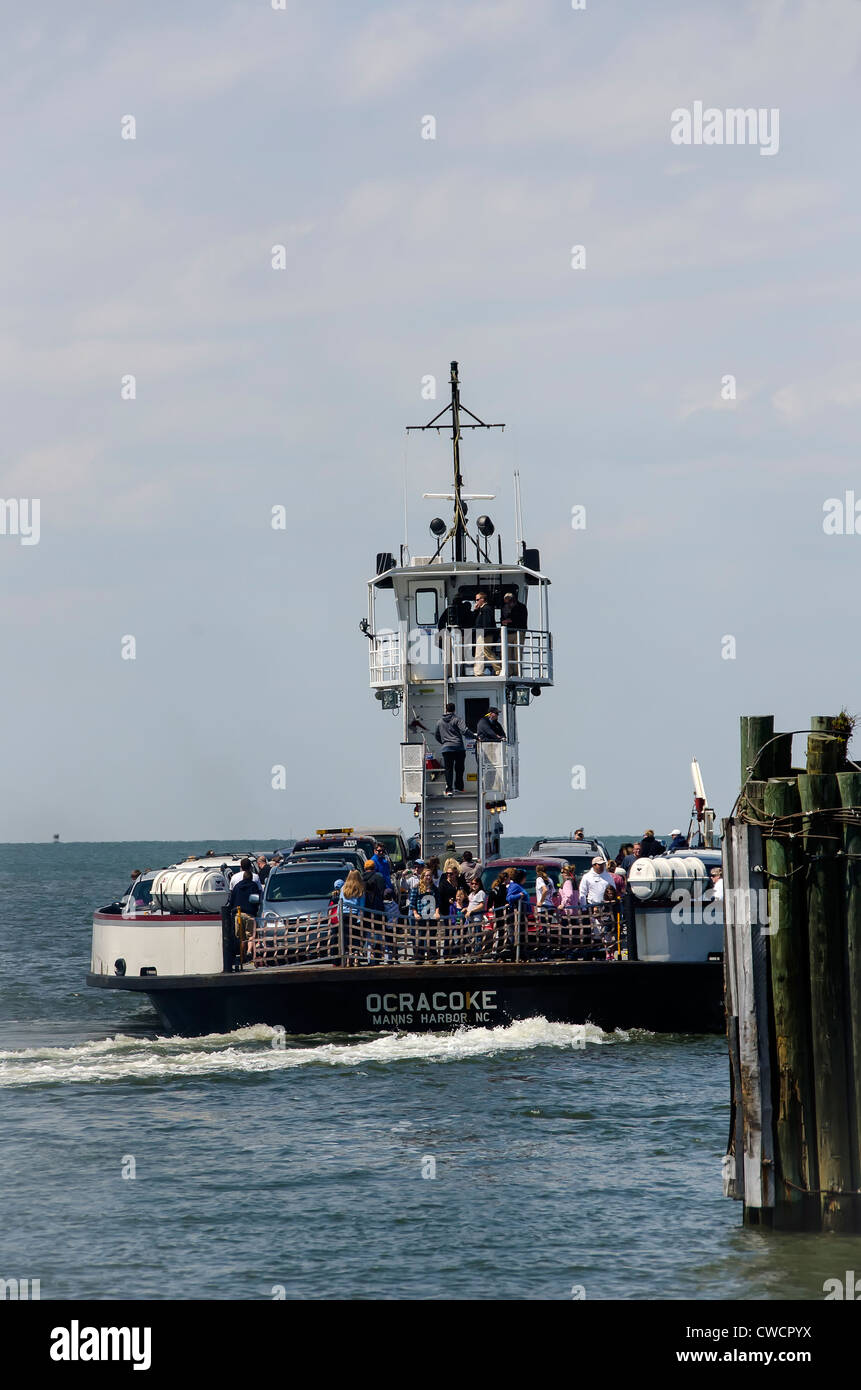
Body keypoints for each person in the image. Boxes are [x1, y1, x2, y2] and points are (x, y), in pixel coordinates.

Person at [434, 702, 471, 797]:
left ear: (446, 710)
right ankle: (458, 787)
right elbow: (464, 731)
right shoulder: (457, 719)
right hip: (458, 748)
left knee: (448, 769)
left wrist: (444, 743)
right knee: (459, 769)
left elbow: (437, 735)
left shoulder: (439, 722)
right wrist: (475, 737)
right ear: (454, 710)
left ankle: (449, 789)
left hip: (446, 749)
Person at [471, 591, 501, 676]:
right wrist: (476, 611)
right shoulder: (481, 610)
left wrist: (484, 633)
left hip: (485, 634)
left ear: (482, 599)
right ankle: (478, 672)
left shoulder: (487, 608)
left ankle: (499, 669)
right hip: (480, 634)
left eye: (477, 599)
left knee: (487, 652)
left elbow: (487, 623)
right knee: (479, 653)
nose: (476, 601)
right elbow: (475, 620)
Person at [500, 589, 528, 674]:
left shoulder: (521, 607)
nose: (507, 602)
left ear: (513, 599)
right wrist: (503, 622)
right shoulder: (504, 608)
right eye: (506, 600)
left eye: (508, 600)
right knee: (506, 654)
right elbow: (502, 618)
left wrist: (510, 621)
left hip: (518, 632)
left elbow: (522, 620)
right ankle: (509, 671)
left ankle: (517, 672)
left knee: (517, 654)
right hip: (507, 632)